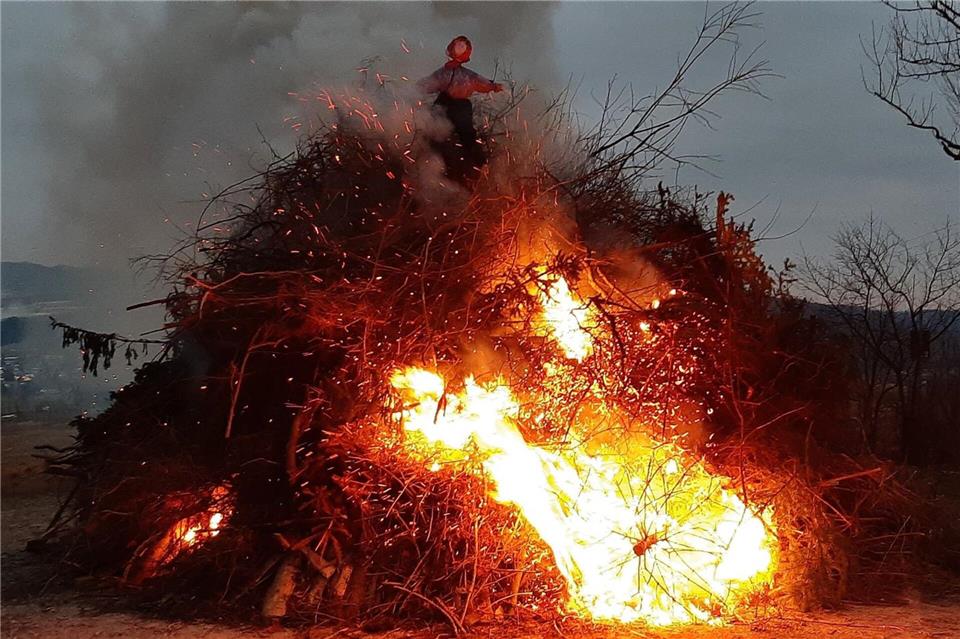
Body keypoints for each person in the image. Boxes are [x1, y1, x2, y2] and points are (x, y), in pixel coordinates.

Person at [418, 36, 503, 176]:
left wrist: (493, 86)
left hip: (460, 106)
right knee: (433, 128)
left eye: (462, 47)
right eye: (458, 46)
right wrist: (414, 89)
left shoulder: (466, 75)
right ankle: (432, 161)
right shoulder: (443, 72)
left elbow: (480, 82)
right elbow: (429, 83)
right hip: (444, 103)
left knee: (467, 133)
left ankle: (480, 164)